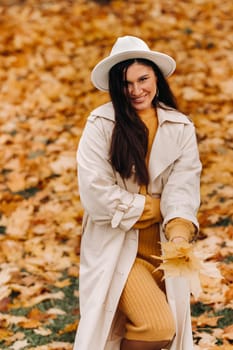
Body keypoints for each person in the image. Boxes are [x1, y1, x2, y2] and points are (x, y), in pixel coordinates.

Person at [73, 36, 202, 350]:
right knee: (157, 326)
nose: (135, 90)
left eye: (142, 79)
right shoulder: (101, 124)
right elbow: (96, 193)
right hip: (116, 247)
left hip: (164, 249)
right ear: (116, 87)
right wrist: (153, 208)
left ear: (156, 77)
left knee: (164, 331)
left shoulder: (180, 127)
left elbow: (184, 186)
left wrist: (180, 232)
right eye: (126, 83)